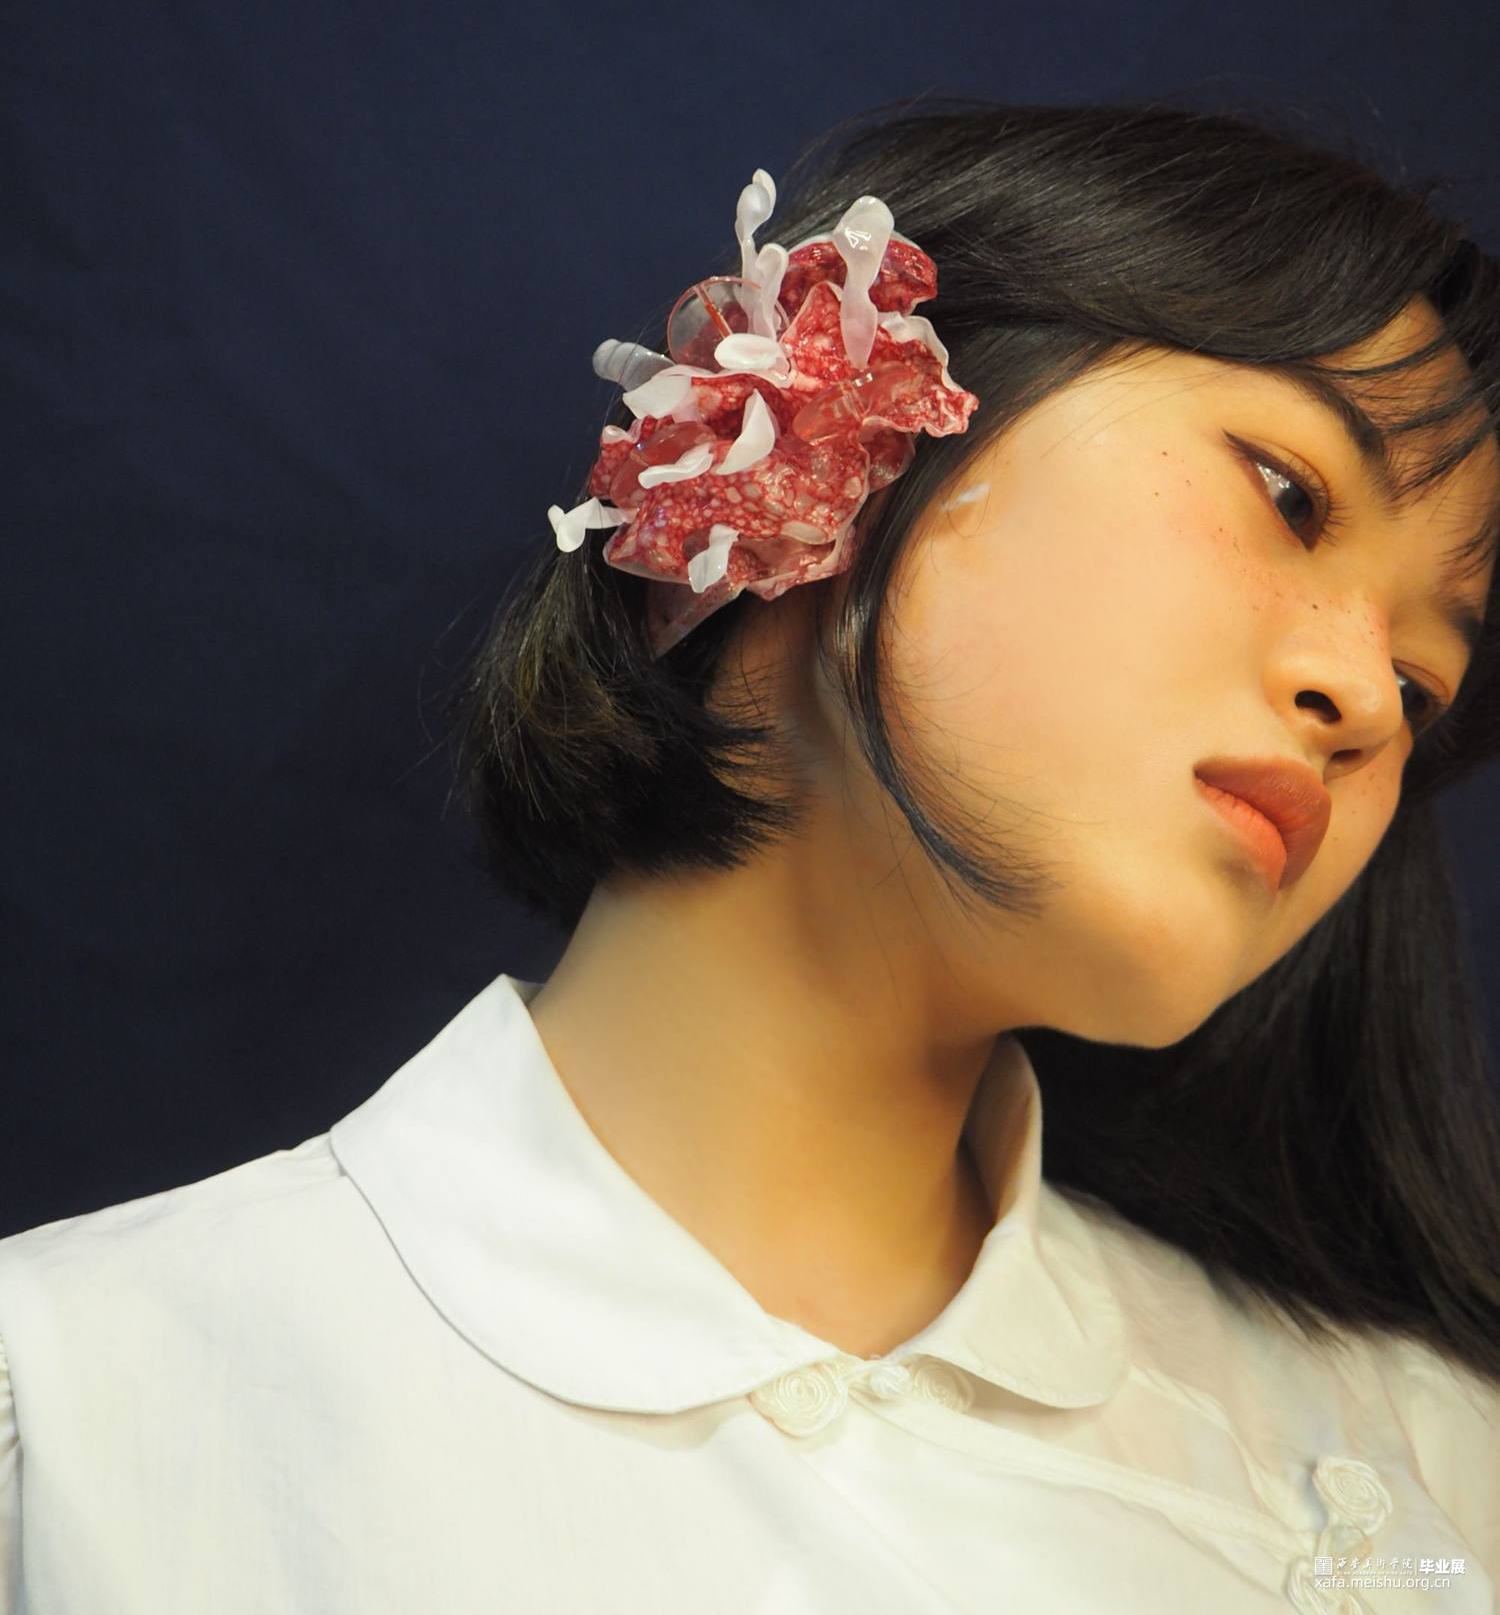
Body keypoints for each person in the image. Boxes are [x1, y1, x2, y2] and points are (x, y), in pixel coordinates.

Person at [3, 100, 1500, 1612]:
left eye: (1425, 681)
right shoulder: (80, 1424)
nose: (1371, 702)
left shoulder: (1429, 1476)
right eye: (1291, 495)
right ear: (844, 430)